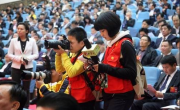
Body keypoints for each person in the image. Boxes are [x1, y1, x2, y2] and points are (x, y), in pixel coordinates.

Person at [93, 11, 137, 110]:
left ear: (111, 28)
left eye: (103, 30)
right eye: (100, 31)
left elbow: (131, 73)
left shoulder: (125, 44)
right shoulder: (111, 44)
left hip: (122, 95)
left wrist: (105, 68)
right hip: (109, 92)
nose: (102, 34)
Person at [54, 27, 96, 110]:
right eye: (68, 42)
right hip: (74, 95)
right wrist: (58, 54)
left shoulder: (87, 54)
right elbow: (60, 69)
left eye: (71, 43)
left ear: (82, 43)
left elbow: (71, 72)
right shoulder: (74, 53)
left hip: (85, 98)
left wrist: (63, 54)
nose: (68, 45)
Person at [7, 22, 39, 108]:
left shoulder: (32, 41)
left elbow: (36, 54)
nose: (19, 30)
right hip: (16, 67)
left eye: (21, 29)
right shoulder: (13, 41)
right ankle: (14, 106)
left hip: (28, 67)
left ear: (27, 31)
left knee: (26, 88)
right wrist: (18, 58)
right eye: (18, 29)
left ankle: (26, 106)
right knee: (15, 88)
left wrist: (27, 58)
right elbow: (9, 54)